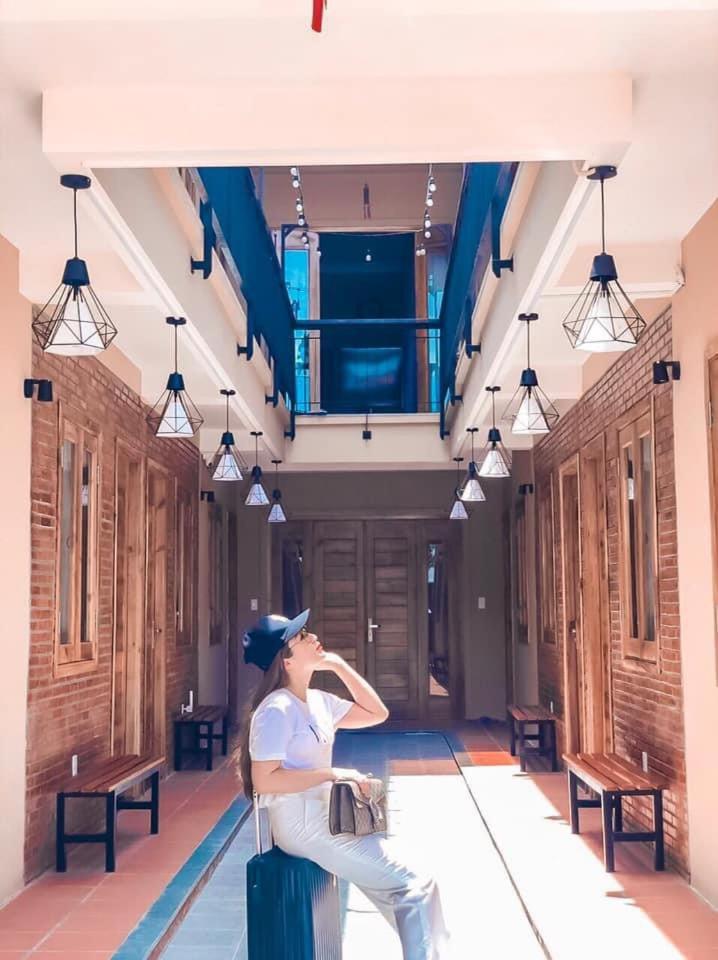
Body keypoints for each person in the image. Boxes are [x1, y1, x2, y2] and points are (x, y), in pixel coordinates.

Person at [238, 608, 451, 960]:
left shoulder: (318, 701)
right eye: (301, 636)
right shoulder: (276, 709)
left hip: (329, 818)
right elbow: (264, 780)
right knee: (415, 885)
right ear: (286, 660)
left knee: (406, 889)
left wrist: (338, 666)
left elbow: (376, 713)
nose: (312, 636)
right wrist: (333, 774)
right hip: (300, 824)